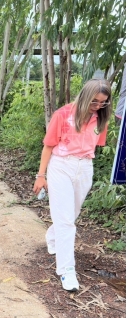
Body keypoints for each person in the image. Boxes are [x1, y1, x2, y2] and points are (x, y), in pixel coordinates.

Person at [33, 79, 112, 292]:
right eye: (94, 101)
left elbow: (96, 145)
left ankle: (52, 237)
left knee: (71, 214)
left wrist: (100, 111)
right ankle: (67, 270)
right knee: (67, 221)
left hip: (85, 167)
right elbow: (48, 146)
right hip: (61, 166)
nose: (97, 106)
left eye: (103, 102)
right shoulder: (63, 115)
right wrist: (41, 175)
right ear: (85, 96)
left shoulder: (100, 119)